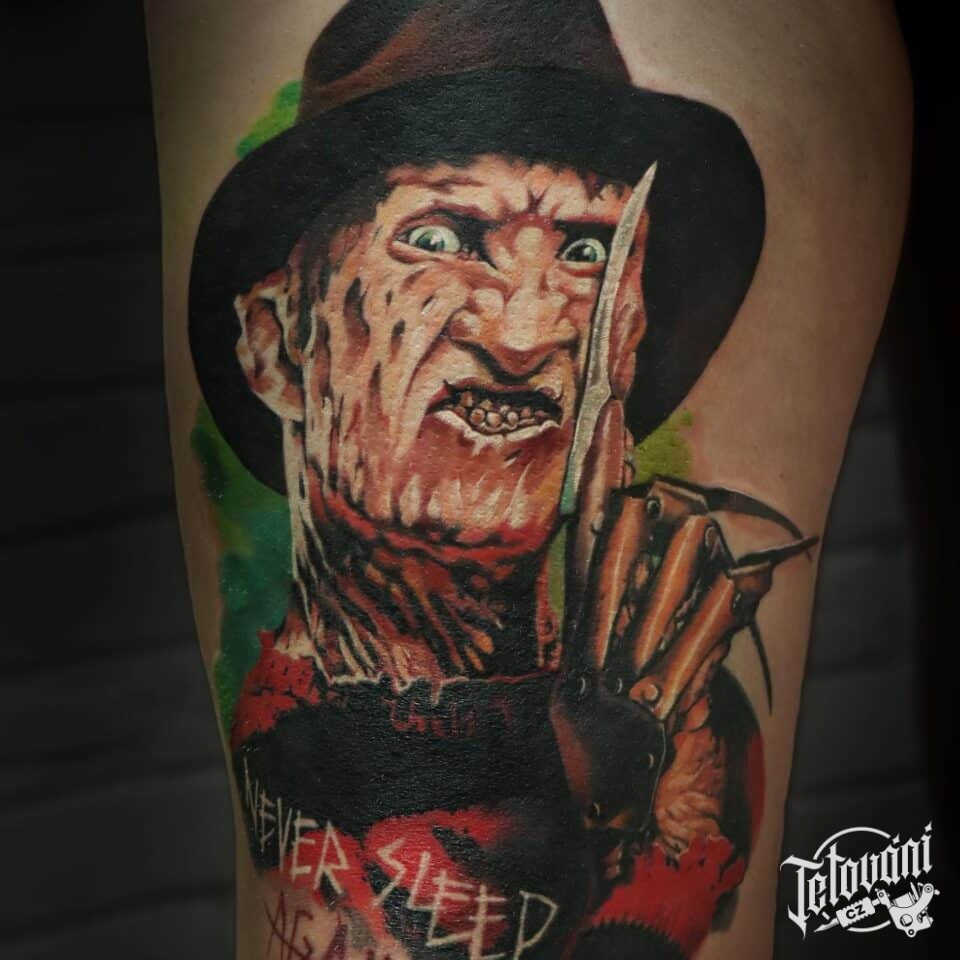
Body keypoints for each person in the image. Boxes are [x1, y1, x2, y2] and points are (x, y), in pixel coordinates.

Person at [146, 0, 911, 957]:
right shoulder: (302, 745)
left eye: (587, 252)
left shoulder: (683, 724)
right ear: (275, 342)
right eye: (440, 238)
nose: (525, 334)